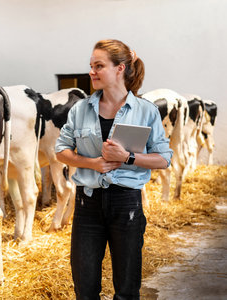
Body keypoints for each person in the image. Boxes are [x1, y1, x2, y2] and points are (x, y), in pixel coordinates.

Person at [55, 39, 173, 300]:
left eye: (99, 66)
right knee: (85, 290)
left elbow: (164, 159)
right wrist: (92, 163)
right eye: (91, 66)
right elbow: (61, 150)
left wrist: (128, 157)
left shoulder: (146, 111)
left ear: (120, 68)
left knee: (127, 290)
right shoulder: (80, 109)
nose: (92, 72)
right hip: (87, 205)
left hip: (126, 203)